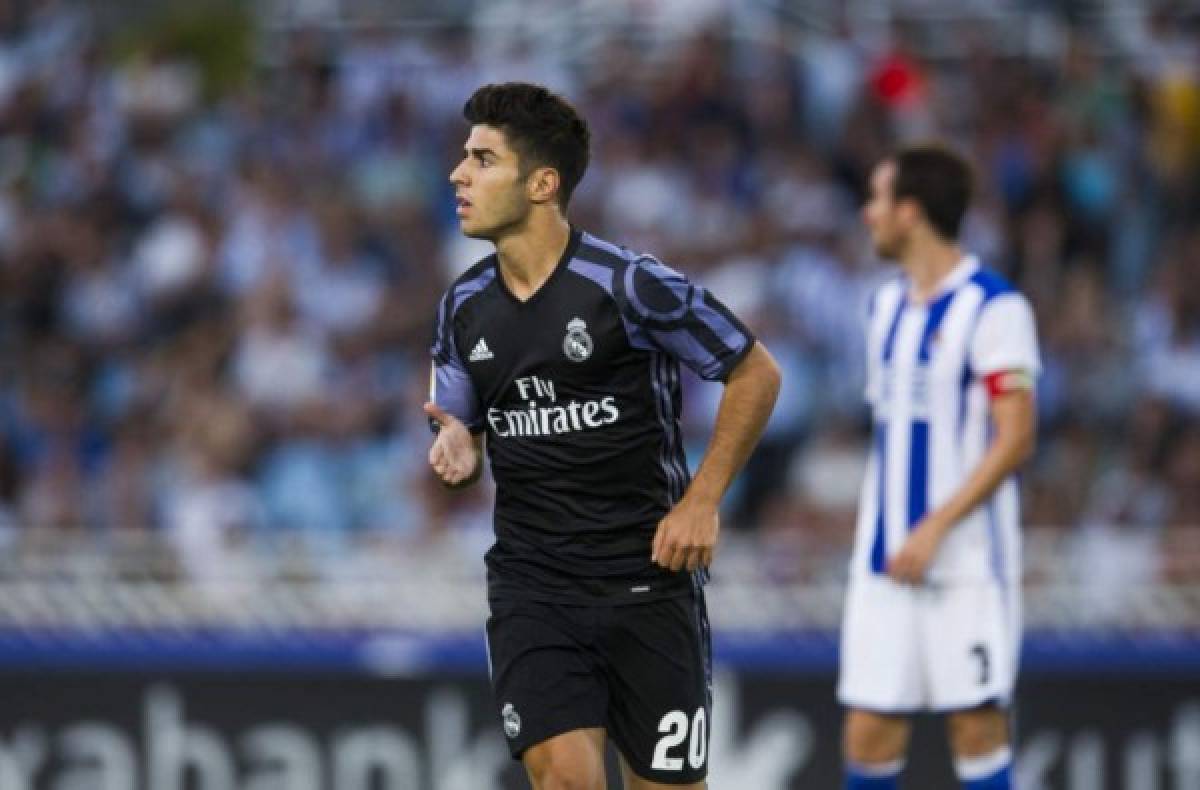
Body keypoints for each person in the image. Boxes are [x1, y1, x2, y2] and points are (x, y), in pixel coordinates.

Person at [426, 82, 781, 789]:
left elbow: (755, 372)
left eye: (483, 159)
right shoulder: (463, 307)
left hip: (648, 585)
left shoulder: (628, 285)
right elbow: (456, 429)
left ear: (542, 183)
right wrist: (460, 448)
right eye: (464, 158)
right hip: (535, 589)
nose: (457, 175)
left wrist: (702, 501)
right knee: (565, 780)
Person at [839, 144, 1040, 790]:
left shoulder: (995, 307)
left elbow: (1014, 439)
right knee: (868, 731)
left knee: (976, 727)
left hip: (966, 563)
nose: (867, 214)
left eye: (878, 199)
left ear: (912, 212)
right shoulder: (882, 308)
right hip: (884, 560)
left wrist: (934, 526)